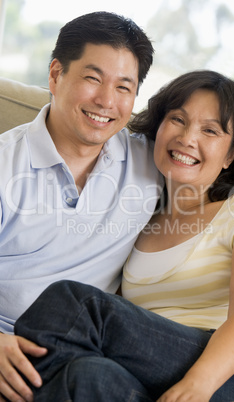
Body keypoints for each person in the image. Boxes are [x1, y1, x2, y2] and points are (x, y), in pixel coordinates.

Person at [15, 70, 234, 402]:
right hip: (149, 375)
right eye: (177, 120)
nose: (188, 138)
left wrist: (197, 385)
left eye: (209, 130)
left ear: (231, 155)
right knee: (88, 376)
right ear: (159, 127)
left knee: (80, 306)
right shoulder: (138, 219)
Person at [0, 11, 163, 402]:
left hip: (92, 352)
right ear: (56, 75)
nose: (106, 101)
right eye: (93, 78)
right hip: (12, 356)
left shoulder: (152, 161)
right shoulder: (5, 165)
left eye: (124, 87)